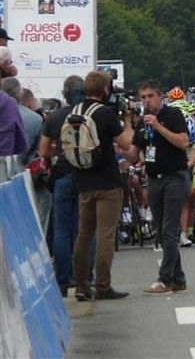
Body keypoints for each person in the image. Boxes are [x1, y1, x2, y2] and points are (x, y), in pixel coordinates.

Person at [53, 71, 134, 300]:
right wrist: (128, 121)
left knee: (83, 234)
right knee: (105, 235)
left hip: (82, 180)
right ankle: (102, 285)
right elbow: (125, 144)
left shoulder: (74, 112)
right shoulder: (105, 113)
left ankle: (80, 285)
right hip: (107, 182)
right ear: (105, 90)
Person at [129, 81, 190, 294]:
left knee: (169, 228)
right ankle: (178, 277)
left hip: (175, 176)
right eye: (143, 97)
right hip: (154, 178)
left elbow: (183, 142)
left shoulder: (172, 115)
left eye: (150, 96)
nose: (146, 100)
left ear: (159, 96)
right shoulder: (141, 122)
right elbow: (134, 153)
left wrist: (158, 127)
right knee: (162, 231)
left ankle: (165, 279)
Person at [38, 76, 85, 296]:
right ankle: (84, 276)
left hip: (63, 173)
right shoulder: (91, 113)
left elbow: (44, 151)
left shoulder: (55, 117)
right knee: (84, 228)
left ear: (65, 93)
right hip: (87, 175)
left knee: (61, 229)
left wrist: (61, 150)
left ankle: (63, 278)